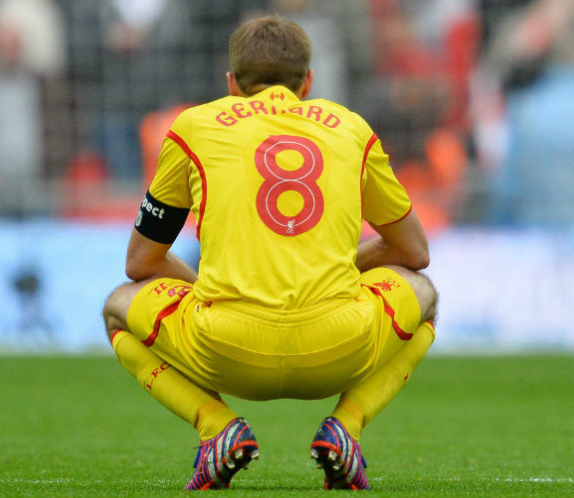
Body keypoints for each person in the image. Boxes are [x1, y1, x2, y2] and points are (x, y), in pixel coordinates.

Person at [101, 15, 438, 491]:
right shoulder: (352, 129)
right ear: (309, 82)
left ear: (232, 83)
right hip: (338, 348)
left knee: (118, 308)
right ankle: (348, 426)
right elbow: (414, 250)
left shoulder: (193, 127)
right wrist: (336, 267)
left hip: (224, 349)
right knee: (424, 294)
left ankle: (216, 425)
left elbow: (141, 264)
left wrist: (216, 285)